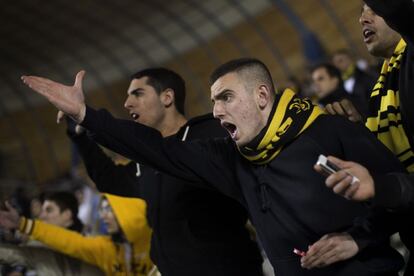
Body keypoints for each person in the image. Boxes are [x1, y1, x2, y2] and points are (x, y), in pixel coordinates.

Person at [21, 58, 408, 275]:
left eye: (226, 97)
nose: (217, 110)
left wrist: (359, 238)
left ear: (261, 95)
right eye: (213, 101)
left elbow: (404, 193)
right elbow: (154, 149)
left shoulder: (329, 129)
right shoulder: (232, 158)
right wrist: (87, 116)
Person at [64, 67, 264, 276]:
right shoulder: (146, 161)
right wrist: (80, 137)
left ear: (167, 97)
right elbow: (110, 179)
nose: (127, 103)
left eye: (138, 94)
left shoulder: (210, 136)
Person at [300, 0, 414, 275]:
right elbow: (392, 175)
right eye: (361, 12)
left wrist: (382, 188)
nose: (362, 19)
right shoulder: (383, 88)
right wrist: (359, 134)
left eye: (374, 9)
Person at [0, 193, 154, 276]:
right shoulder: (108, 248)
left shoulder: (158, 243)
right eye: (102, 209)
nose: (103, 215)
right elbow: (71, 242)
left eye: (109, 209)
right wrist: (22, 224)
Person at [0, 191, 103, 275]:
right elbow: (12, 254)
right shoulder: (40, 247)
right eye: (42, 211)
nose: (42, 216)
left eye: (49, 210)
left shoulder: (96, 242)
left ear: (67, 214)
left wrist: (22, 224)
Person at [331, 49, 377, 116]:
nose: (338, 65)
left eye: (340, 61)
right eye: (336, 63)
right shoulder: (339, 82)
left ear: (349, 59)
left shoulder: (364, 73)